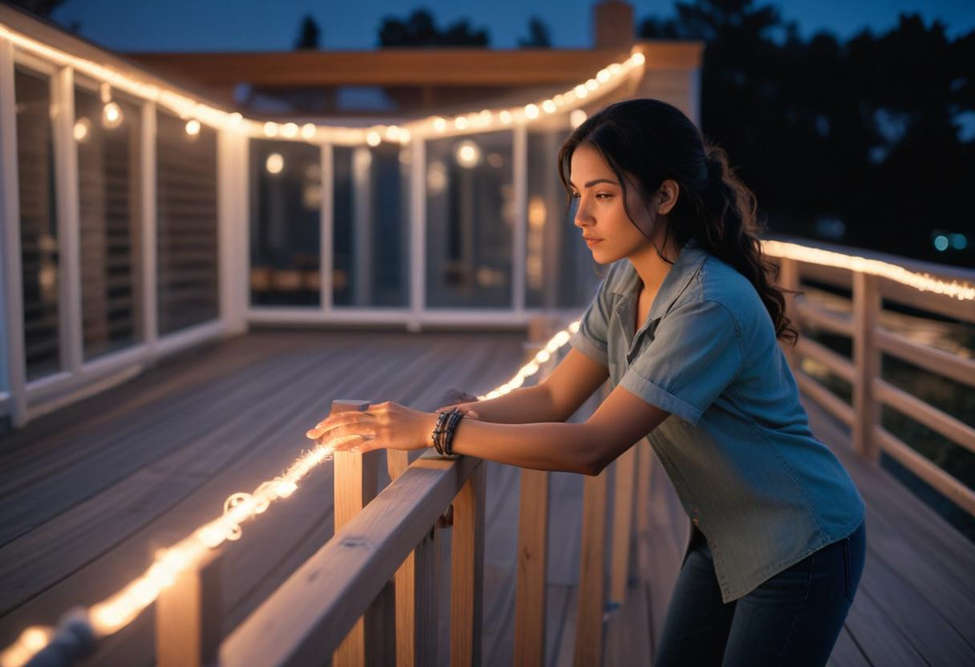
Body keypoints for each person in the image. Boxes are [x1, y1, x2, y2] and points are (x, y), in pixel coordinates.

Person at [305, 98, 867, 666]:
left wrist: (436, 430)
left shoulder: (709, 305)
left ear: (665, 196)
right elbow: (555, 395)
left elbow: (591, 446)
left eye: (602, 194)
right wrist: (467, 413)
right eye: (578, 194)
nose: (580, 216)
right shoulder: (627, 280)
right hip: (724, 534)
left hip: (802, 540)